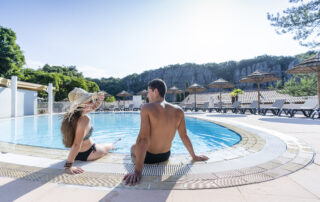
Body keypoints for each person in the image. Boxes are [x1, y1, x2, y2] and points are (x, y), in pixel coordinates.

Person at [123, 79, 209, 186]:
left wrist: (137, 171)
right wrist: (194, 156)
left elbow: (143, 140)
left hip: (148, 157)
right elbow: (184, 136)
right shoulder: (179, 110)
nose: (147, 96)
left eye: (148, 92)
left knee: (132, 148)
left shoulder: (147, 108)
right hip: (165, 155)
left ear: (156, 91)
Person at [61, 88, 115, 174]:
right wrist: (68, 167)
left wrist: (99, 100)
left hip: (76, 154)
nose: (92, 103)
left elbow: (92, 107)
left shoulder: (70, 117)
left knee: (103, 144)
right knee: (112, 145)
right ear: (82, 104)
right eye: (89, 101)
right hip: (89, 153)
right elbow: (76, 144)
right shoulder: (84, 119)